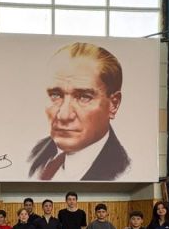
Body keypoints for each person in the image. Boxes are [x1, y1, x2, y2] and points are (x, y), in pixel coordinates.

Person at [28, 42, 130, 181]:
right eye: (55, 95)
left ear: (113, 104)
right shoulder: (37, 153)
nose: (64, 115)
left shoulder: (124, 171)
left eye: (84, 97)